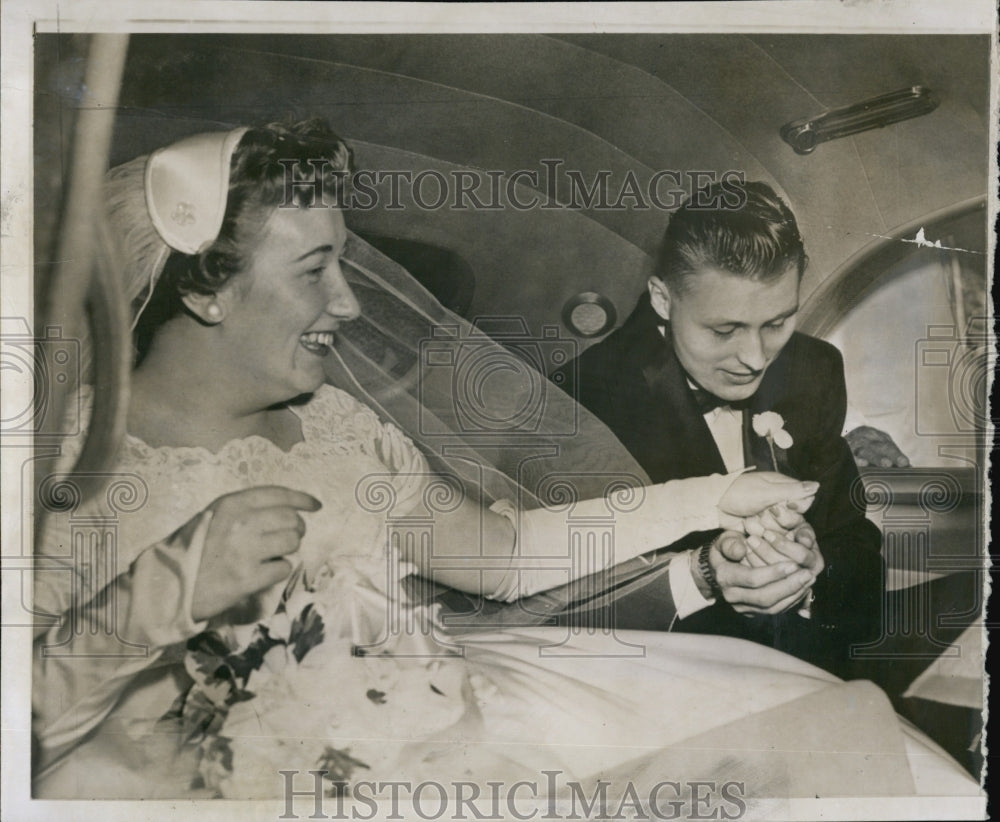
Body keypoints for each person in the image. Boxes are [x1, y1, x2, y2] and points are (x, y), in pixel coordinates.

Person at [31, 122, 975, 803]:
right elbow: (26, 728)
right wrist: (168, 586)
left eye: (345, 266)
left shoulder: (340, 428)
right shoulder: (62, 464)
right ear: (206, 292)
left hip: (430, 723)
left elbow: (510, 555)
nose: (351, 308)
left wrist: (718, 494)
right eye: (314, 271)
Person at [555, 181, 884, 675]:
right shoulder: (587, 398)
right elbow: (575, 611)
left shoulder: (813, 369)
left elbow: (856, 546)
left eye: (778, 322)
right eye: (724, 330)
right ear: (663, 300)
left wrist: (817, 571)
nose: (755, 359)